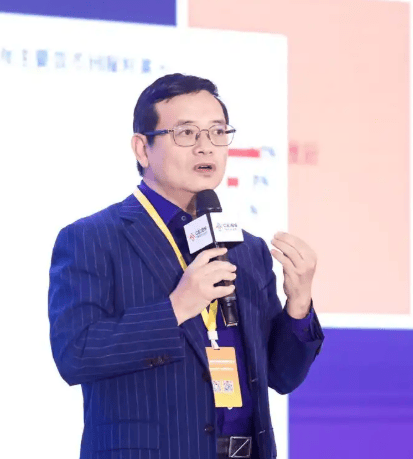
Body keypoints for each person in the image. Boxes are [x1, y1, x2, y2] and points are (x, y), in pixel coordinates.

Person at [48, 73, 324, 459]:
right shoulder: (92, 238)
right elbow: (74, 354)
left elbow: (282, 376)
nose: (205, 146)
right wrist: (176, 308)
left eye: (217, 132)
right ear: (142, 148)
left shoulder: (248, 250)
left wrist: (298, 303)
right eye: (187, 133)